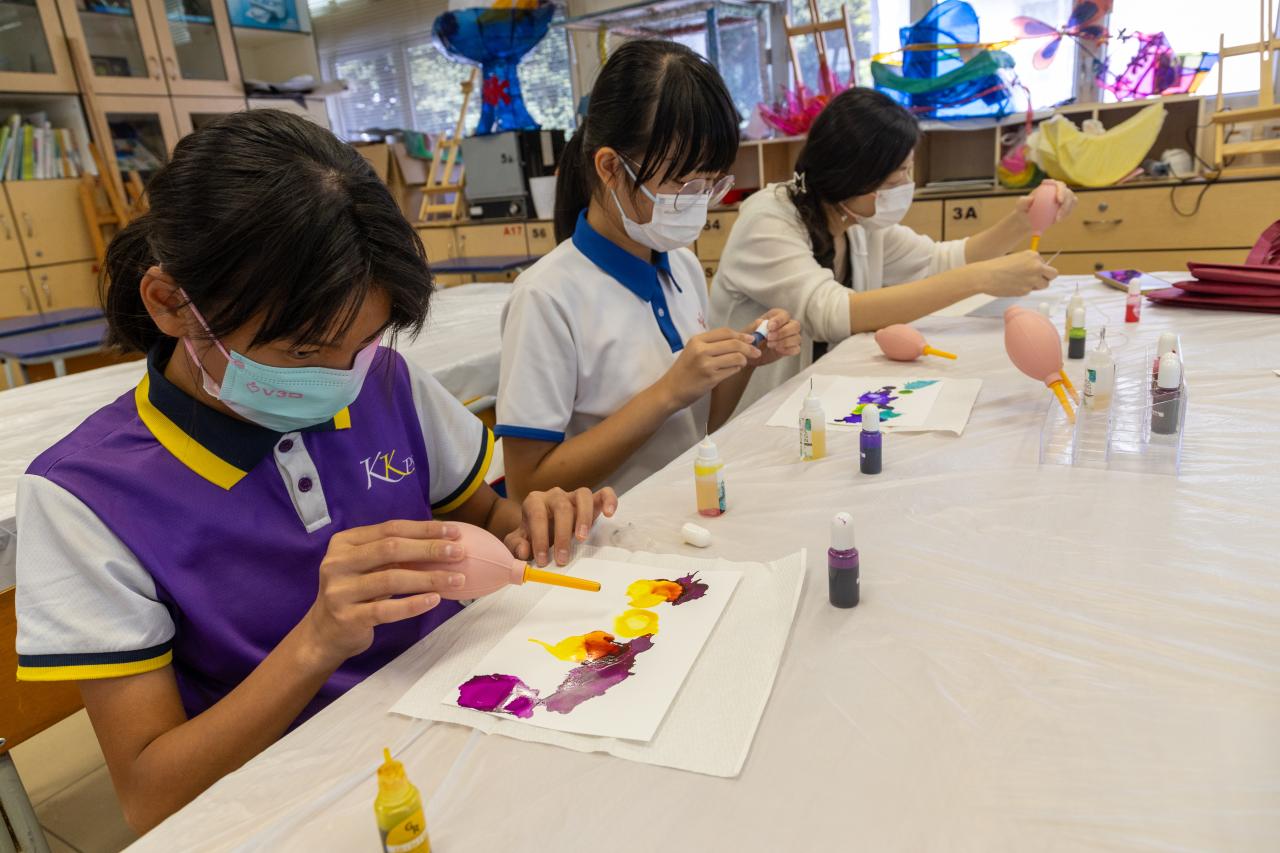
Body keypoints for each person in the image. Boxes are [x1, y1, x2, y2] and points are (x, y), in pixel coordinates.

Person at [14, 110, 615, 832]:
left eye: (364, 341)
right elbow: (151, 796)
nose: (341, 379)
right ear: (172, 304)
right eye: (303, 352)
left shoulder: (386, 382)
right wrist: (318, 640)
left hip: (472, 720)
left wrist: (537, 522)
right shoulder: (84, 496)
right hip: (302, 800)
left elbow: (490, 519)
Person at [496, 40, 802, 497]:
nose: (700, 201)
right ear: (610, 167)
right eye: (684, 183)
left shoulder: (682, 266)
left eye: (711, 183)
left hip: (688, 507)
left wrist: (747, 358)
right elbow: (528, 487)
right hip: (609, 530)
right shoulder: (546, 297)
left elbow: (697, 426)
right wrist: (667, 392)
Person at [711, 87, 1077, 410]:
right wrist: (979, 279)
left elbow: (940, 260)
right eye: (898, 173)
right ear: (855, 175)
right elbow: (832, 314)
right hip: (755, 412)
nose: (906, 183)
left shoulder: (858, 221)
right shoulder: (768, 219)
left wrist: (1022, 221)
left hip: (818, 399)